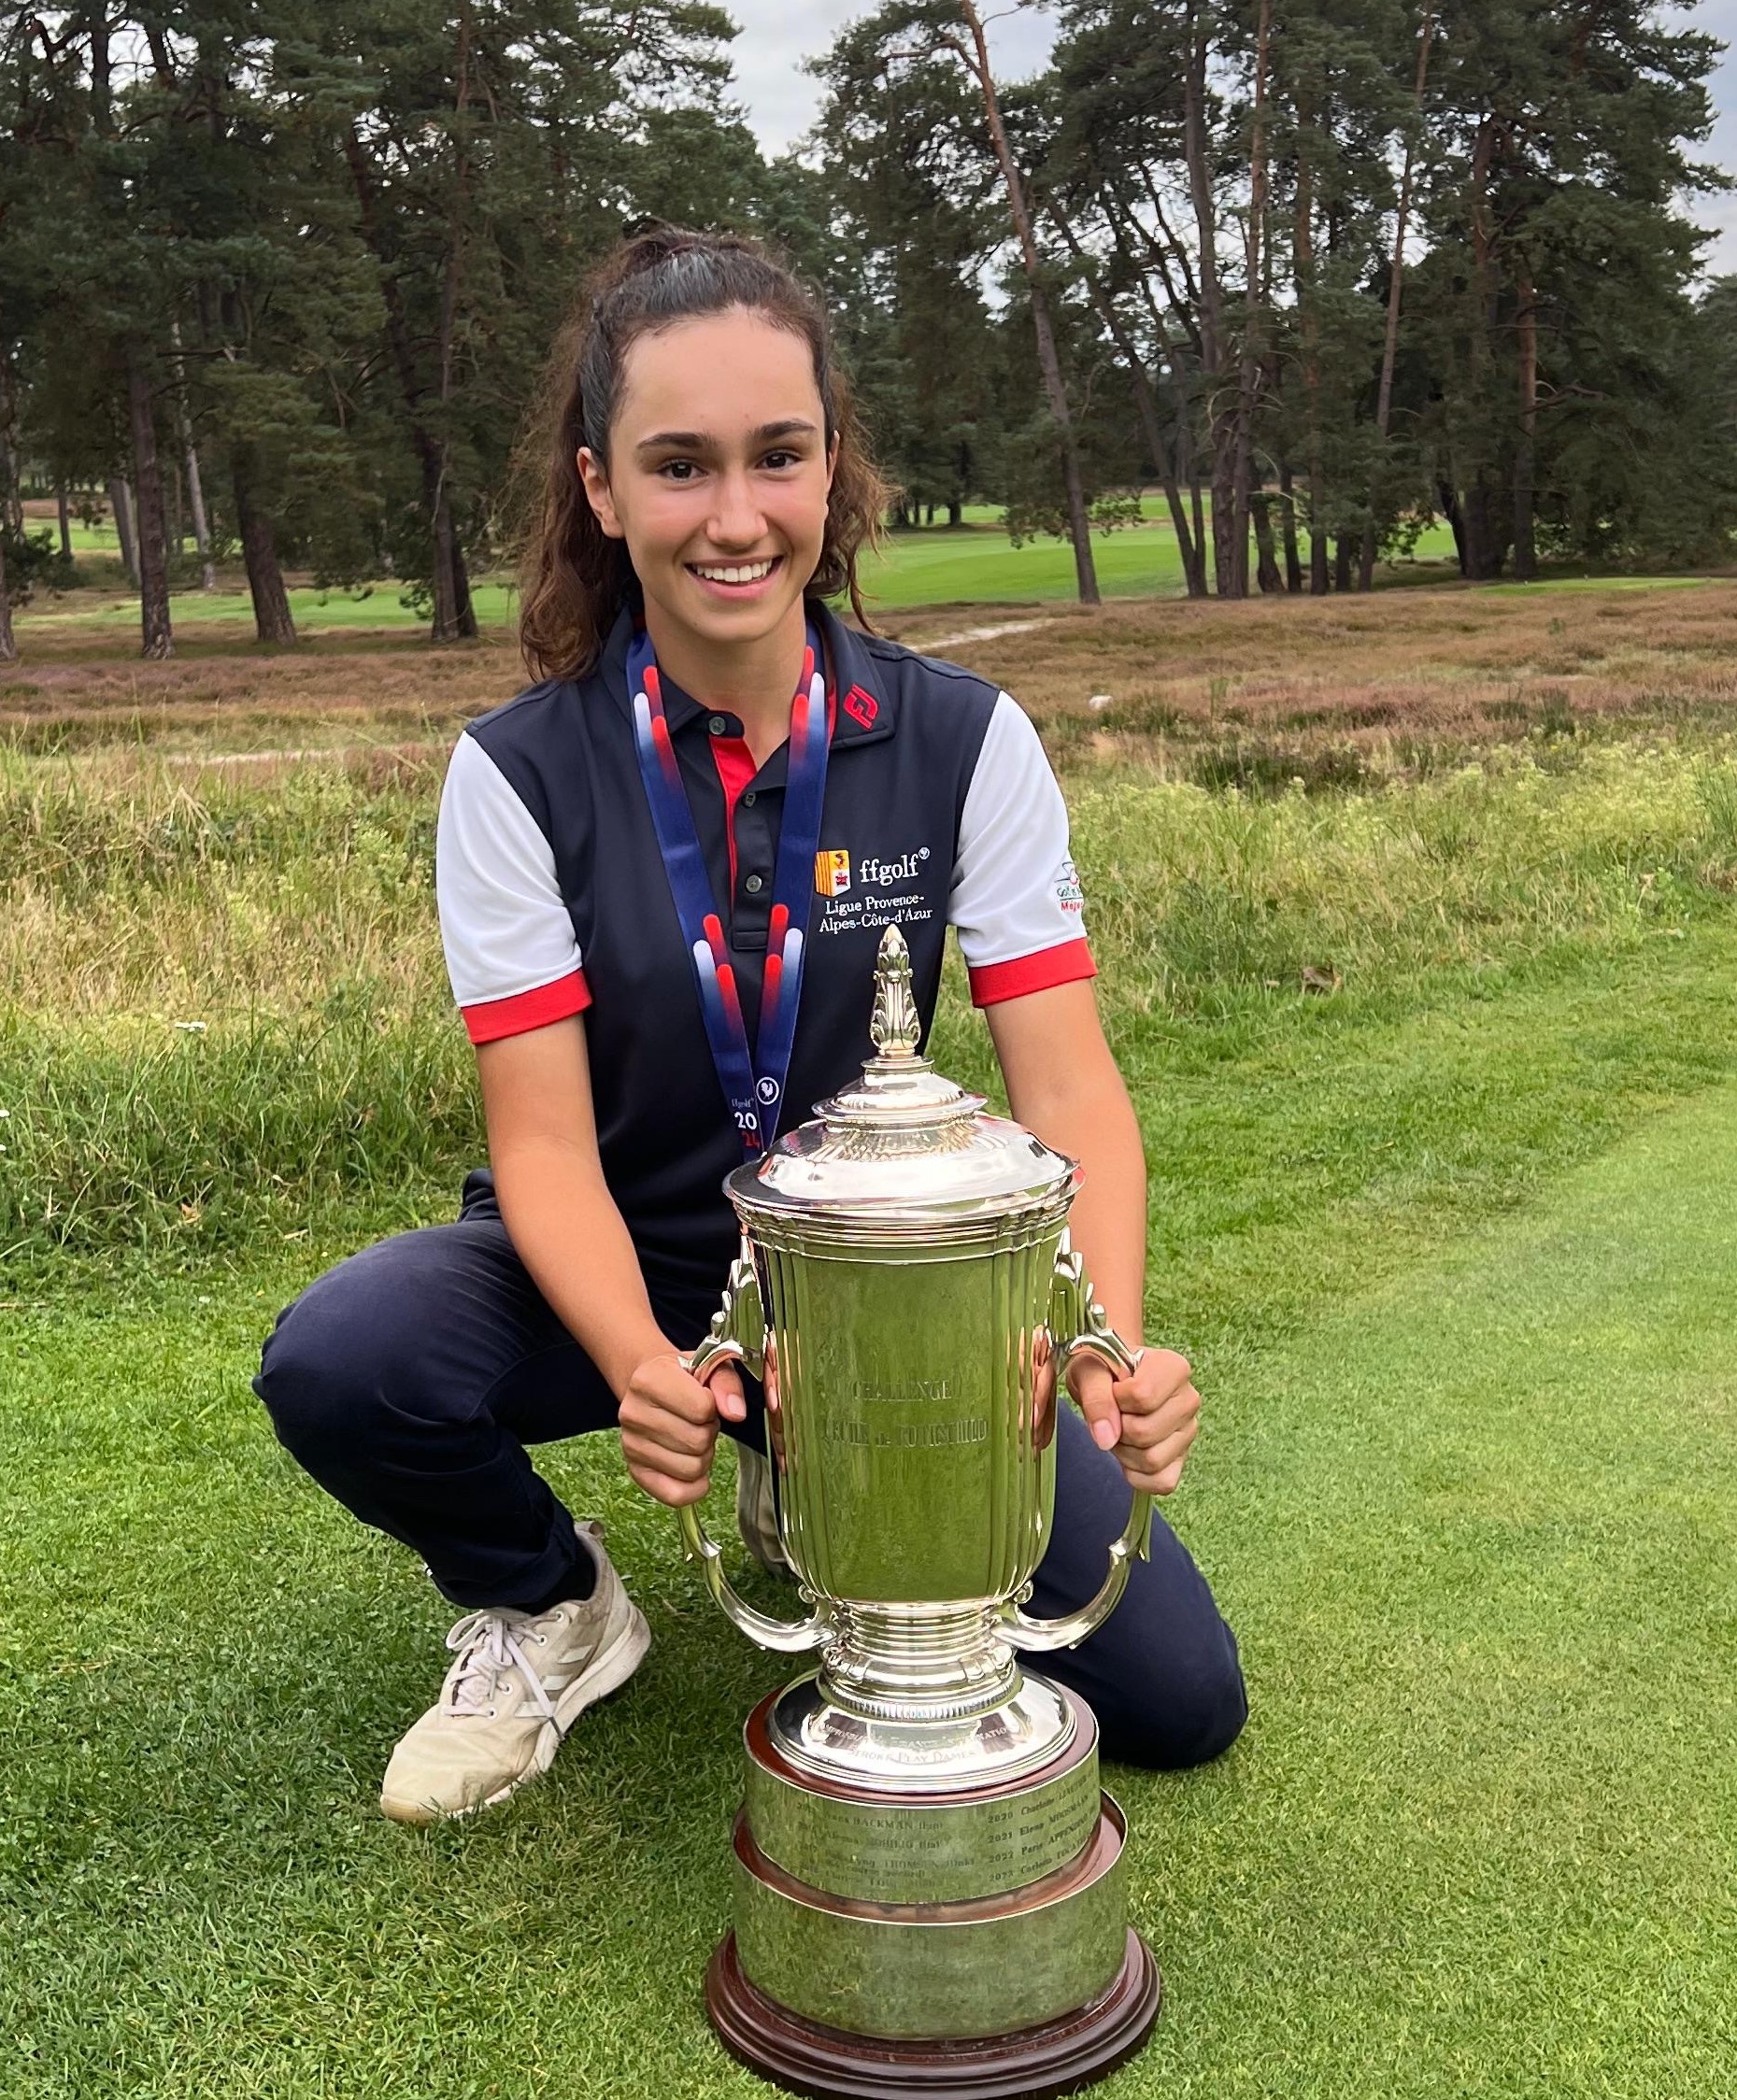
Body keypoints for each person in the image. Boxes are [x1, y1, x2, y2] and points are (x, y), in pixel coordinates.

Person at [255, 229, 1246, 1823]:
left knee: (1181, 1702)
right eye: (679, 464)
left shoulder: (963, 738)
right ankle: (551, 1606)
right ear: (602, 489)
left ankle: (872, 1516)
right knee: (348, 1357)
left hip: (897, 1298)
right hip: (627, 1262)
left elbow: (1070, 1085)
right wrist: (648, 1367)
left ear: (833, 466)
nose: (735, 516)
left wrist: (1098, 1340)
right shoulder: (515, 773)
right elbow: (541, 1144)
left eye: (777, 457)